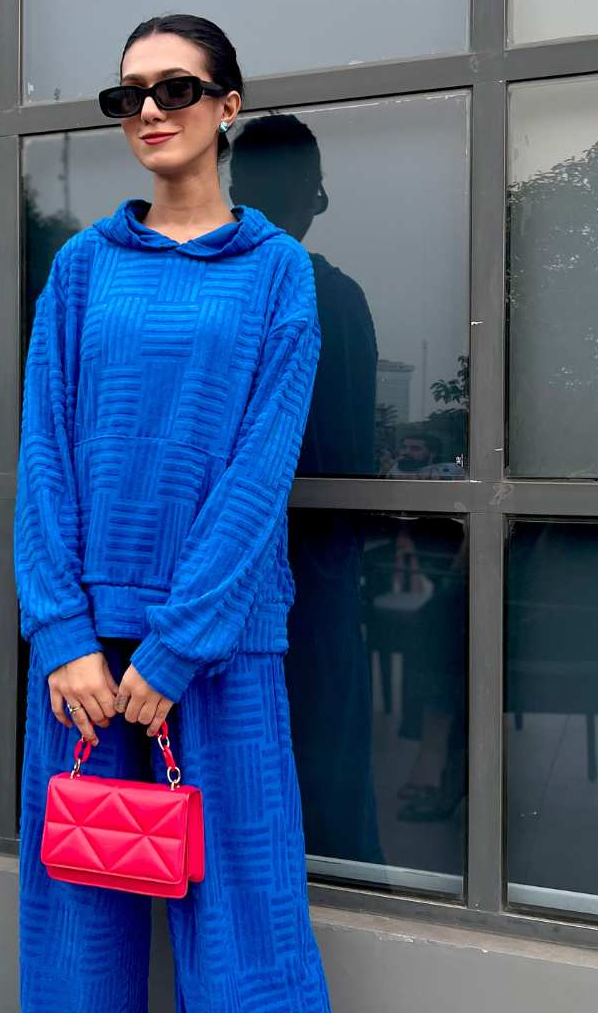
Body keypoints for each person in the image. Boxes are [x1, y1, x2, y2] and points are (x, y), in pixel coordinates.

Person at [15, 15, 331, 1013]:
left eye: (176, 89)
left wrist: (178, 647)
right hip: (84, 660)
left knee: (248, 934)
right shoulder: (82, 267)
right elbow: (44, 452)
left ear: (228, 105)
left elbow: (260, 474)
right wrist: (62, 634)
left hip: (220, 646)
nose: (150, 110)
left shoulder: (276, 270)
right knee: (76, 930)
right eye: (129, 95)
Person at [229, 115, 383, 863]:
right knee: (328, 774)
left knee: (224, 783)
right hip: (317, 571)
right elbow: (357, 452)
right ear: (313, 197)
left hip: (214, 583)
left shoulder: (208, 294)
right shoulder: (337, 299)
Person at [385, 432, 463, 479]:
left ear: (433, 453)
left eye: (415, 449)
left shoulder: (451, 469)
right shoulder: (394, 470)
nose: (406, 452)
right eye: (404, 448)